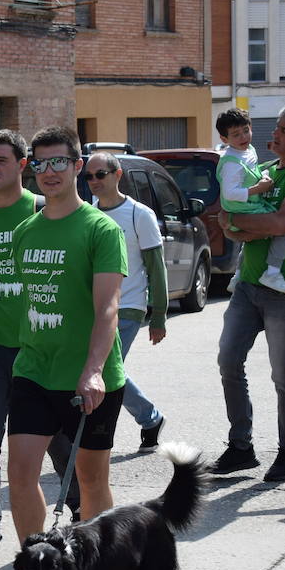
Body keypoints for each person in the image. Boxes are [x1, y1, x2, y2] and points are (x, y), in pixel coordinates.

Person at [0, 126, 127, 570]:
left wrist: (92, 370)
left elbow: (107, 307)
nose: (48, 172)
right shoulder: (26, 230)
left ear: (77, 166)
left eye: (59, 162)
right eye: (41, 163)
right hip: (34, 370)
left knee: (91, 484)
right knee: (21, 474)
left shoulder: (100, 230)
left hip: (90, 381)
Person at [0, 129, 79, 569]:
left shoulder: (44, 210)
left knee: (58, 440)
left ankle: (78, 513)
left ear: (23, 166)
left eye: (2, 160)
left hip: (39, 350)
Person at [212, 104, 285, 483]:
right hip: (249, 284)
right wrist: (237, 226)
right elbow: (233, 220)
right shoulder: (265, 170)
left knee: (282, 375)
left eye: (283, 130)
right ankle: (241, 446)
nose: (272, 135)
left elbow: (279, 222)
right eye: (275, 128)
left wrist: (236, 222)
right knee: (229, 361)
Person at [83, 150, 169, 450]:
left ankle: (137, 420)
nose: (94, 181)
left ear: (117, 175)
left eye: (100, 175)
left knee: (105, 366)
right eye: (89, 176)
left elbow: (156, 268)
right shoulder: (88, 214)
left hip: (128, 306)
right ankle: (150, 417)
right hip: (92, 308)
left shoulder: (138, 214)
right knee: (105, 366)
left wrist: (159, 315)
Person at [215, 107, 285, 295]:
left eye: (246, 130)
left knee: (249, 241)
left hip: (248, 207)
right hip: (243, 210)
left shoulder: (246, 150)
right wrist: (259, 188)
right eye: (236, 135)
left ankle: (237, 275)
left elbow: (250, 172)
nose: (243, 137)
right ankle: (273, 272)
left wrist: (263, 175)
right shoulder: (231, 163)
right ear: (224, 139)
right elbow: (230, 193)